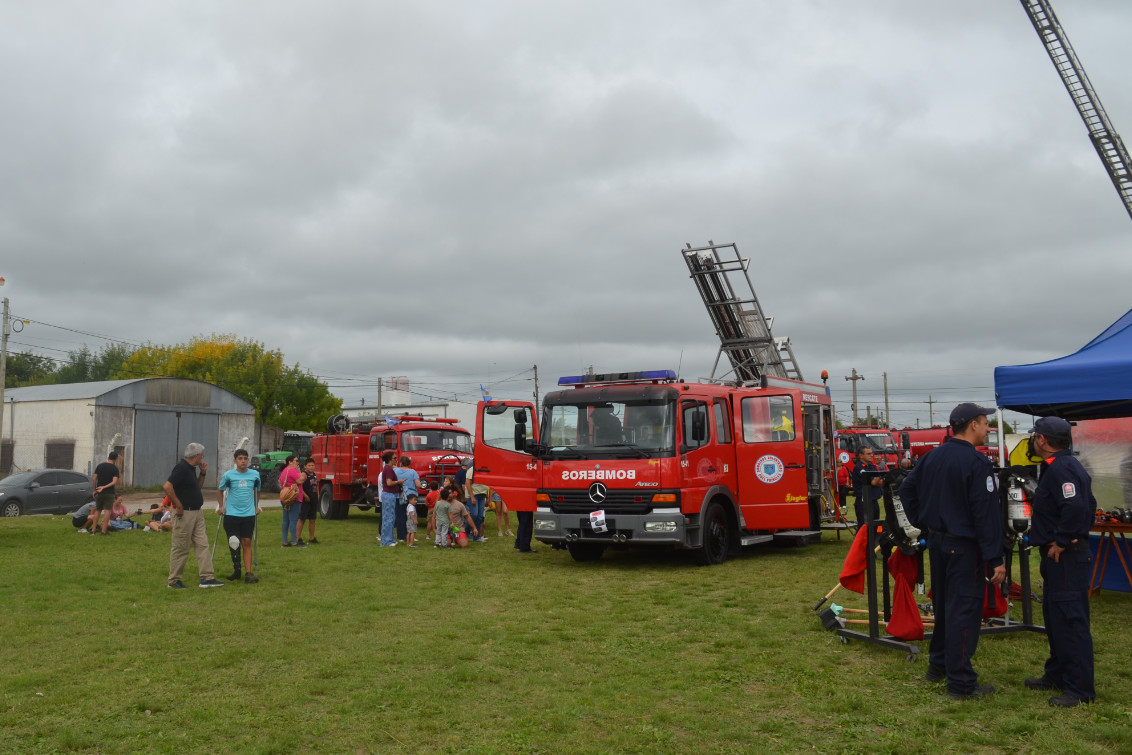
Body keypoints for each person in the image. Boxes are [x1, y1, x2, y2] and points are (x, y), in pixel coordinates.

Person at [899, 403, 1004, 700]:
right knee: (964, 612)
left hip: (939, 543)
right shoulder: (976, 462)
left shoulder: (933, 456)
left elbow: (907, 489)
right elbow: (985, 515)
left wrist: (923, 521)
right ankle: (961, 683)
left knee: (946, 607)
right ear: (973, 424)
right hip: (964, 547)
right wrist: (995, 557)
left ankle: (938, 666)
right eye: (985, 423)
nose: (987, 429)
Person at [1024, 416, 1096, 707]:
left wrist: (1064, 539)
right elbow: (1087, 504)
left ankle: (1080, 689)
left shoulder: (1062, 468)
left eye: (1034, 437)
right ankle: (1056, 673)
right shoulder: (1060, 466)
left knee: (1070, 620)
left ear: (1042, 440)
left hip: (1066, 556)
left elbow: (1077, 506)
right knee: (1055, 620)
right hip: (1057, 557)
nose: (1033, 441)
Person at [164, 442, 225, 589]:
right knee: (181, 547)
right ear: (196, 455)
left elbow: (197, 487)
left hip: (197, 512)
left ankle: (207, 578)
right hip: (184, 514)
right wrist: (178, 505)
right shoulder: (181, 468)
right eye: (202, 456)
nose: (202, 458)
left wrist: (202, 472)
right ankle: (174, 581)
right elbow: (167, 486)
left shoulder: (191, 469)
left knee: (202, 544)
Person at [217, 448, 262, 583]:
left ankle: (248, 573)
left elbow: (257, 491)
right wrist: (221, 506)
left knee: (246, 542)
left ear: (248, 460)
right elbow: (220, 490)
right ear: (235, 461)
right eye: (240, 459)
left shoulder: (254, 474)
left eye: (245, 458)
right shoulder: (229, 475)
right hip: (231, 514)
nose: (243, 461)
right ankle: (237, 570)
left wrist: (256, 506)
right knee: (234, 542)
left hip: (248, 514)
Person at [851, 448, 884, 526]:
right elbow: (873, 482)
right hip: (864, 502)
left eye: (872, 453)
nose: (872, 455)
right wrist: (880, 471)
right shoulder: (859, 468)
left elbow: (880, 483)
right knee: (865, 526)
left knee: (875, 525)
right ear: (861, 456)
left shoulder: (872, 466)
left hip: (874, 500)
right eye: (868, 454)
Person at [278, 455, 305, 548]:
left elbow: (279, 481)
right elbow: (301, 480)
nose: (297, 462)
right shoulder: (292, 470)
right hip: (293, 498)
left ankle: (285, 541)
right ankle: (295, 541)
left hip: (285, 498)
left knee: (285, 520)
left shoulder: (284, 470)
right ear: (290, 462)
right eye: (296, 460)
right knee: (293, 520)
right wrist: (299, 472)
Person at [91, 451, 121, 535]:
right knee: (107, 511)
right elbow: (114, 482)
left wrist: (95, 489)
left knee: (98, 510)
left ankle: (93, 530)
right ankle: (103, 531)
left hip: (99, 492)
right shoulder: (114, 468)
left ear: (108, 457)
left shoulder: (100, 466)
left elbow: (94, 478)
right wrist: (104, 487)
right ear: (116, 459)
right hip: (109, 492)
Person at [394, 456, 420, 542]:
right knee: (411, 516)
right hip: (411, 497)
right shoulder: (413, 472)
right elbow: (418, 485)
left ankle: (401, 536)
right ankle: (411, 534)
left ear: (400, 462)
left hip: (399, 495)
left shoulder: (395, 471)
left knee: (400, 517)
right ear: (409, 463)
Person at [378, 450, 402, 546]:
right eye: (394, 458)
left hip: (390, 495)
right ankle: (386, 541)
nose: (396, 460)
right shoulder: (388, 469)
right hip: (388, 495)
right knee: (388, 518)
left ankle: (390, 539)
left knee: (390, 518)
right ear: (389, 459)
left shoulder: (388, 468)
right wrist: (398, 482)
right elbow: (389, 483)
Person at [297, 458, 319, 545]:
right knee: (302, 519)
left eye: (313, 465)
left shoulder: (314, 474)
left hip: (314, 500)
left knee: (312, 519)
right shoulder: (304, 474)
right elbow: (299, 486)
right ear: (306, 466)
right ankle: (297, 538)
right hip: (305, 501)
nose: (311, 467)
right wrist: (305, 496)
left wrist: (318, 495)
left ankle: (312, 538)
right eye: (309, 465)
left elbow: (316, 486)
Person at [466, 463, 489, 543]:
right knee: (474, 515)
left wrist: (487, 497)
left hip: (482, 495)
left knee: (480, 516)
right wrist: (472, 497)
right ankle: (466, 531)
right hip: (474, 495)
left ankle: (477, 537)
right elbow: (468, 483)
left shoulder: (487, 469)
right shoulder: (472, 469)